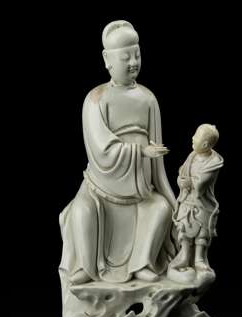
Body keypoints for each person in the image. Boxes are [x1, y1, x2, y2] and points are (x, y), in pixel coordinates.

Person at [59, 21, 177, 285]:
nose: (133, 63)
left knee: (161, 209)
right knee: (81, 212)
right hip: (100, 190)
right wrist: (140, 151)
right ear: (107, 59)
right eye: (126, 57)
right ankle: (87, 267)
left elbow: (157, 162)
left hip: (139, 192)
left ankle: (142, 263)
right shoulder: (96, 99)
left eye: (137, 55)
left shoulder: (148, 99)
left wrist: (171, 197)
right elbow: (101, 151)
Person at [168, 124, 223, 284]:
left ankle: (199, 259)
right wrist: (180, 181)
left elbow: (202, 182)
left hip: (202, 203)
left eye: (196, 136)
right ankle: (185, 255)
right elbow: (182, 171)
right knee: (185, 226)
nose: (192, 138)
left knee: (201, 231)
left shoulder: (214, 162)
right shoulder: (192, 156)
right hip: (187, 200)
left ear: (205, 144)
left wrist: (190, 182)